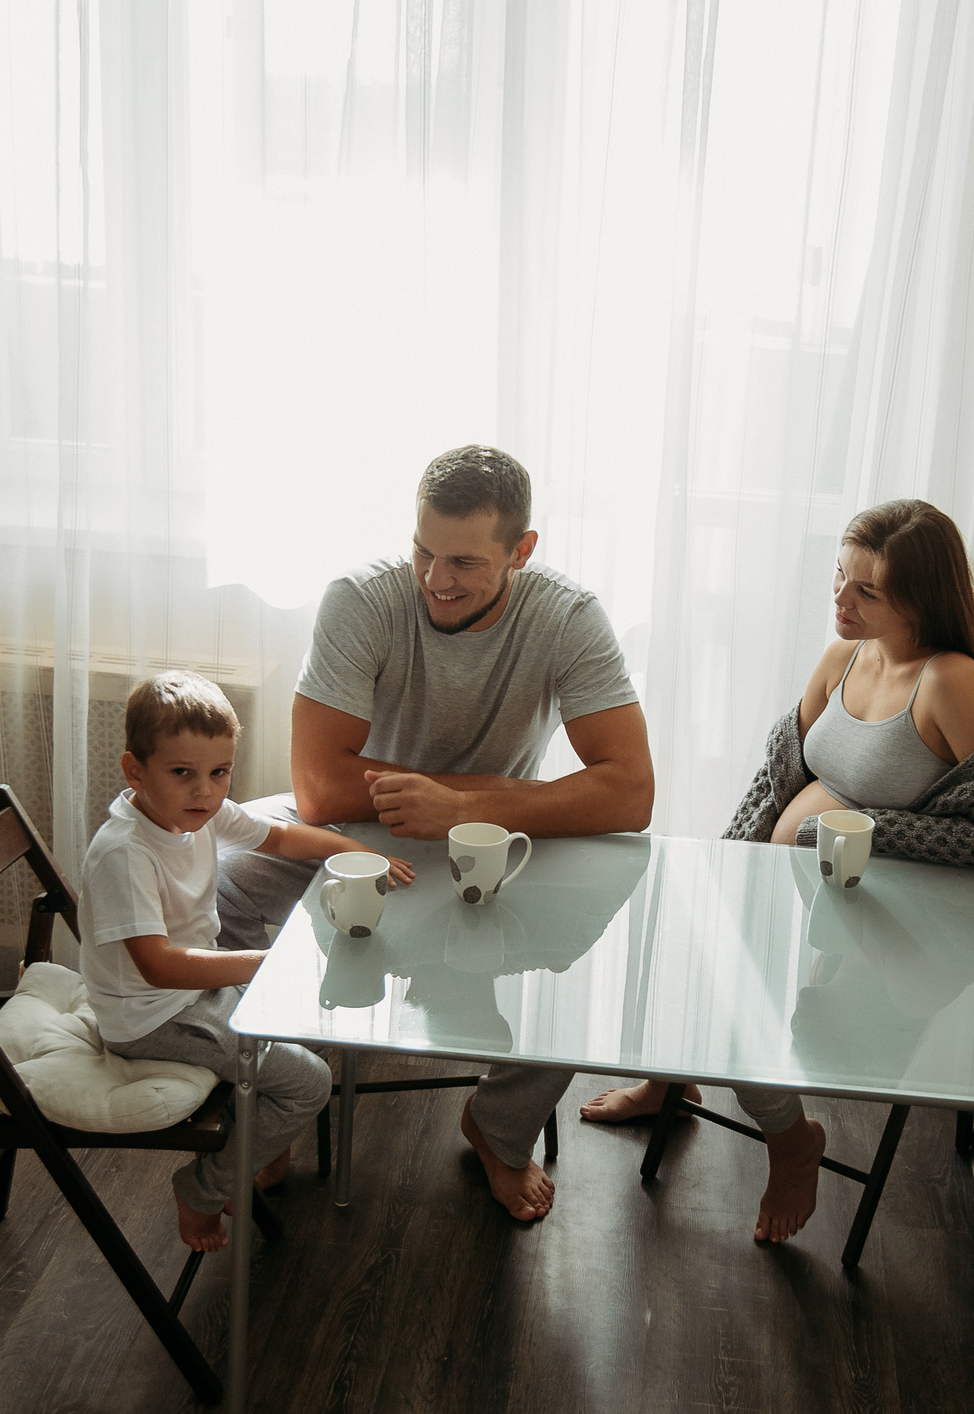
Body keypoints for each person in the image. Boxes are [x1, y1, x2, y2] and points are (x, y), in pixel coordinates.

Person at [580, 498, 974, 1242]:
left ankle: (792, 1139)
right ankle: (669, 1077)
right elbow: (775, 782)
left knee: (737, 1012)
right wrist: (719, 874)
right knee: (671, 937)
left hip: (865, 926)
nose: (841, 599)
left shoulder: (950, 682)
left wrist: (858, 828)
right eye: (839, 576)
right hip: (785, 898)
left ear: (919, 601)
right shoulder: (844, 655)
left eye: (867, 591)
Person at [217, 446, 655, 1222]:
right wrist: (459, 798)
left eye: (463, 560)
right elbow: (319, 784)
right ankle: (276, 1088)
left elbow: (631, 791)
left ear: (522, 551)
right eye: (423, 550)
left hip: (488, 842)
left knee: (592, 942)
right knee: (226, 876)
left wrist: (459, 809)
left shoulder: (568, 614)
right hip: (352, 829)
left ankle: (499, 1124)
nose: (435, 578)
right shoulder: (361, 597)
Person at [84, 669, 415, 1253]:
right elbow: (157, 967)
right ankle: (203, 1189)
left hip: (195, 990)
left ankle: (248, 1158)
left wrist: (358, 852)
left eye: (219, 773)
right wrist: (263, 963)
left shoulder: (197, 815)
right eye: (182, 773)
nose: (204, 792)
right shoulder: (124, 853)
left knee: (310, 1027)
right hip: (152, 1017)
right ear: (134, 770)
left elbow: (282, 838)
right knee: (309, 1083)